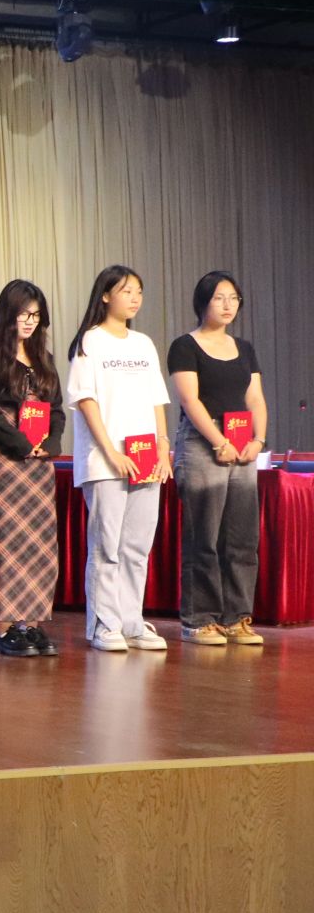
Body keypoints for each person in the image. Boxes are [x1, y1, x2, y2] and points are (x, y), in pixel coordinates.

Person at [64, 264, 172, 653]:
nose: (135, 298)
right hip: (105, 460)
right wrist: (111, 452)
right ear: (106, 295)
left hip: (146, 458)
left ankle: (131, 622)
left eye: (139, 291)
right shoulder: (90, 342)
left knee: (137, 546)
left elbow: (157, 399)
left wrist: (163, 447)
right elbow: (85, 400)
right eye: (126, 291)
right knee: (106, 546)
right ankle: (104, 624)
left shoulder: (143, 344)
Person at [167, 271, 267, 647]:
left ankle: (237, 617)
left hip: (242, 444)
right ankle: (199, 620)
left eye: (234, 298)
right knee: (203, 536)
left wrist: (258, 440)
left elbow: (255, 398)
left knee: (241, 537)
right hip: (201, 442)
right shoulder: (185, 345)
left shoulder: (245, 348)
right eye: (219, 298)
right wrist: (218, 441)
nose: (228, 305)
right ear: (203, 302)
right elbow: (189, 399)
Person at [0, 279, 65, 657]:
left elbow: (56, 409)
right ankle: (6, 627)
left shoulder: (45, 359)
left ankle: (33, 625)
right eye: (23, 314)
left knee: (39, 544)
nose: (29, 322)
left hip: (39, 464)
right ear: (7, 315)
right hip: (4, 460)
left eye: (36, 316)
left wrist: (51, 444)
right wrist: (20, 442)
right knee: (4, 541)